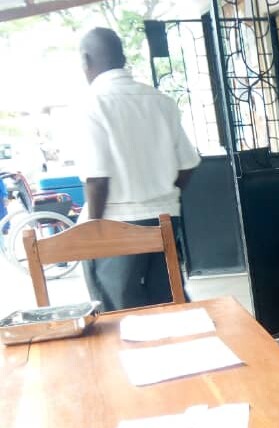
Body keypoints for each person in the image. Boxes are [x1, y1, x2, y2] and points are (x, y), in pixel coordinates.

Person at [77, 27, 200, 312]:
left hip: (116, 223)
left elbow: (96, 180)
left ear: (85, 59)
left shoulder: (92, 104)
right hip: (164, 219)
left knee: (121, 310)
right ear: (122, 57)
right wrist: (162, 195)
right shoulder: (160, 101)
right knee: (169, 301)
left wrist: (93, 232)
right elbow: (188, 166)